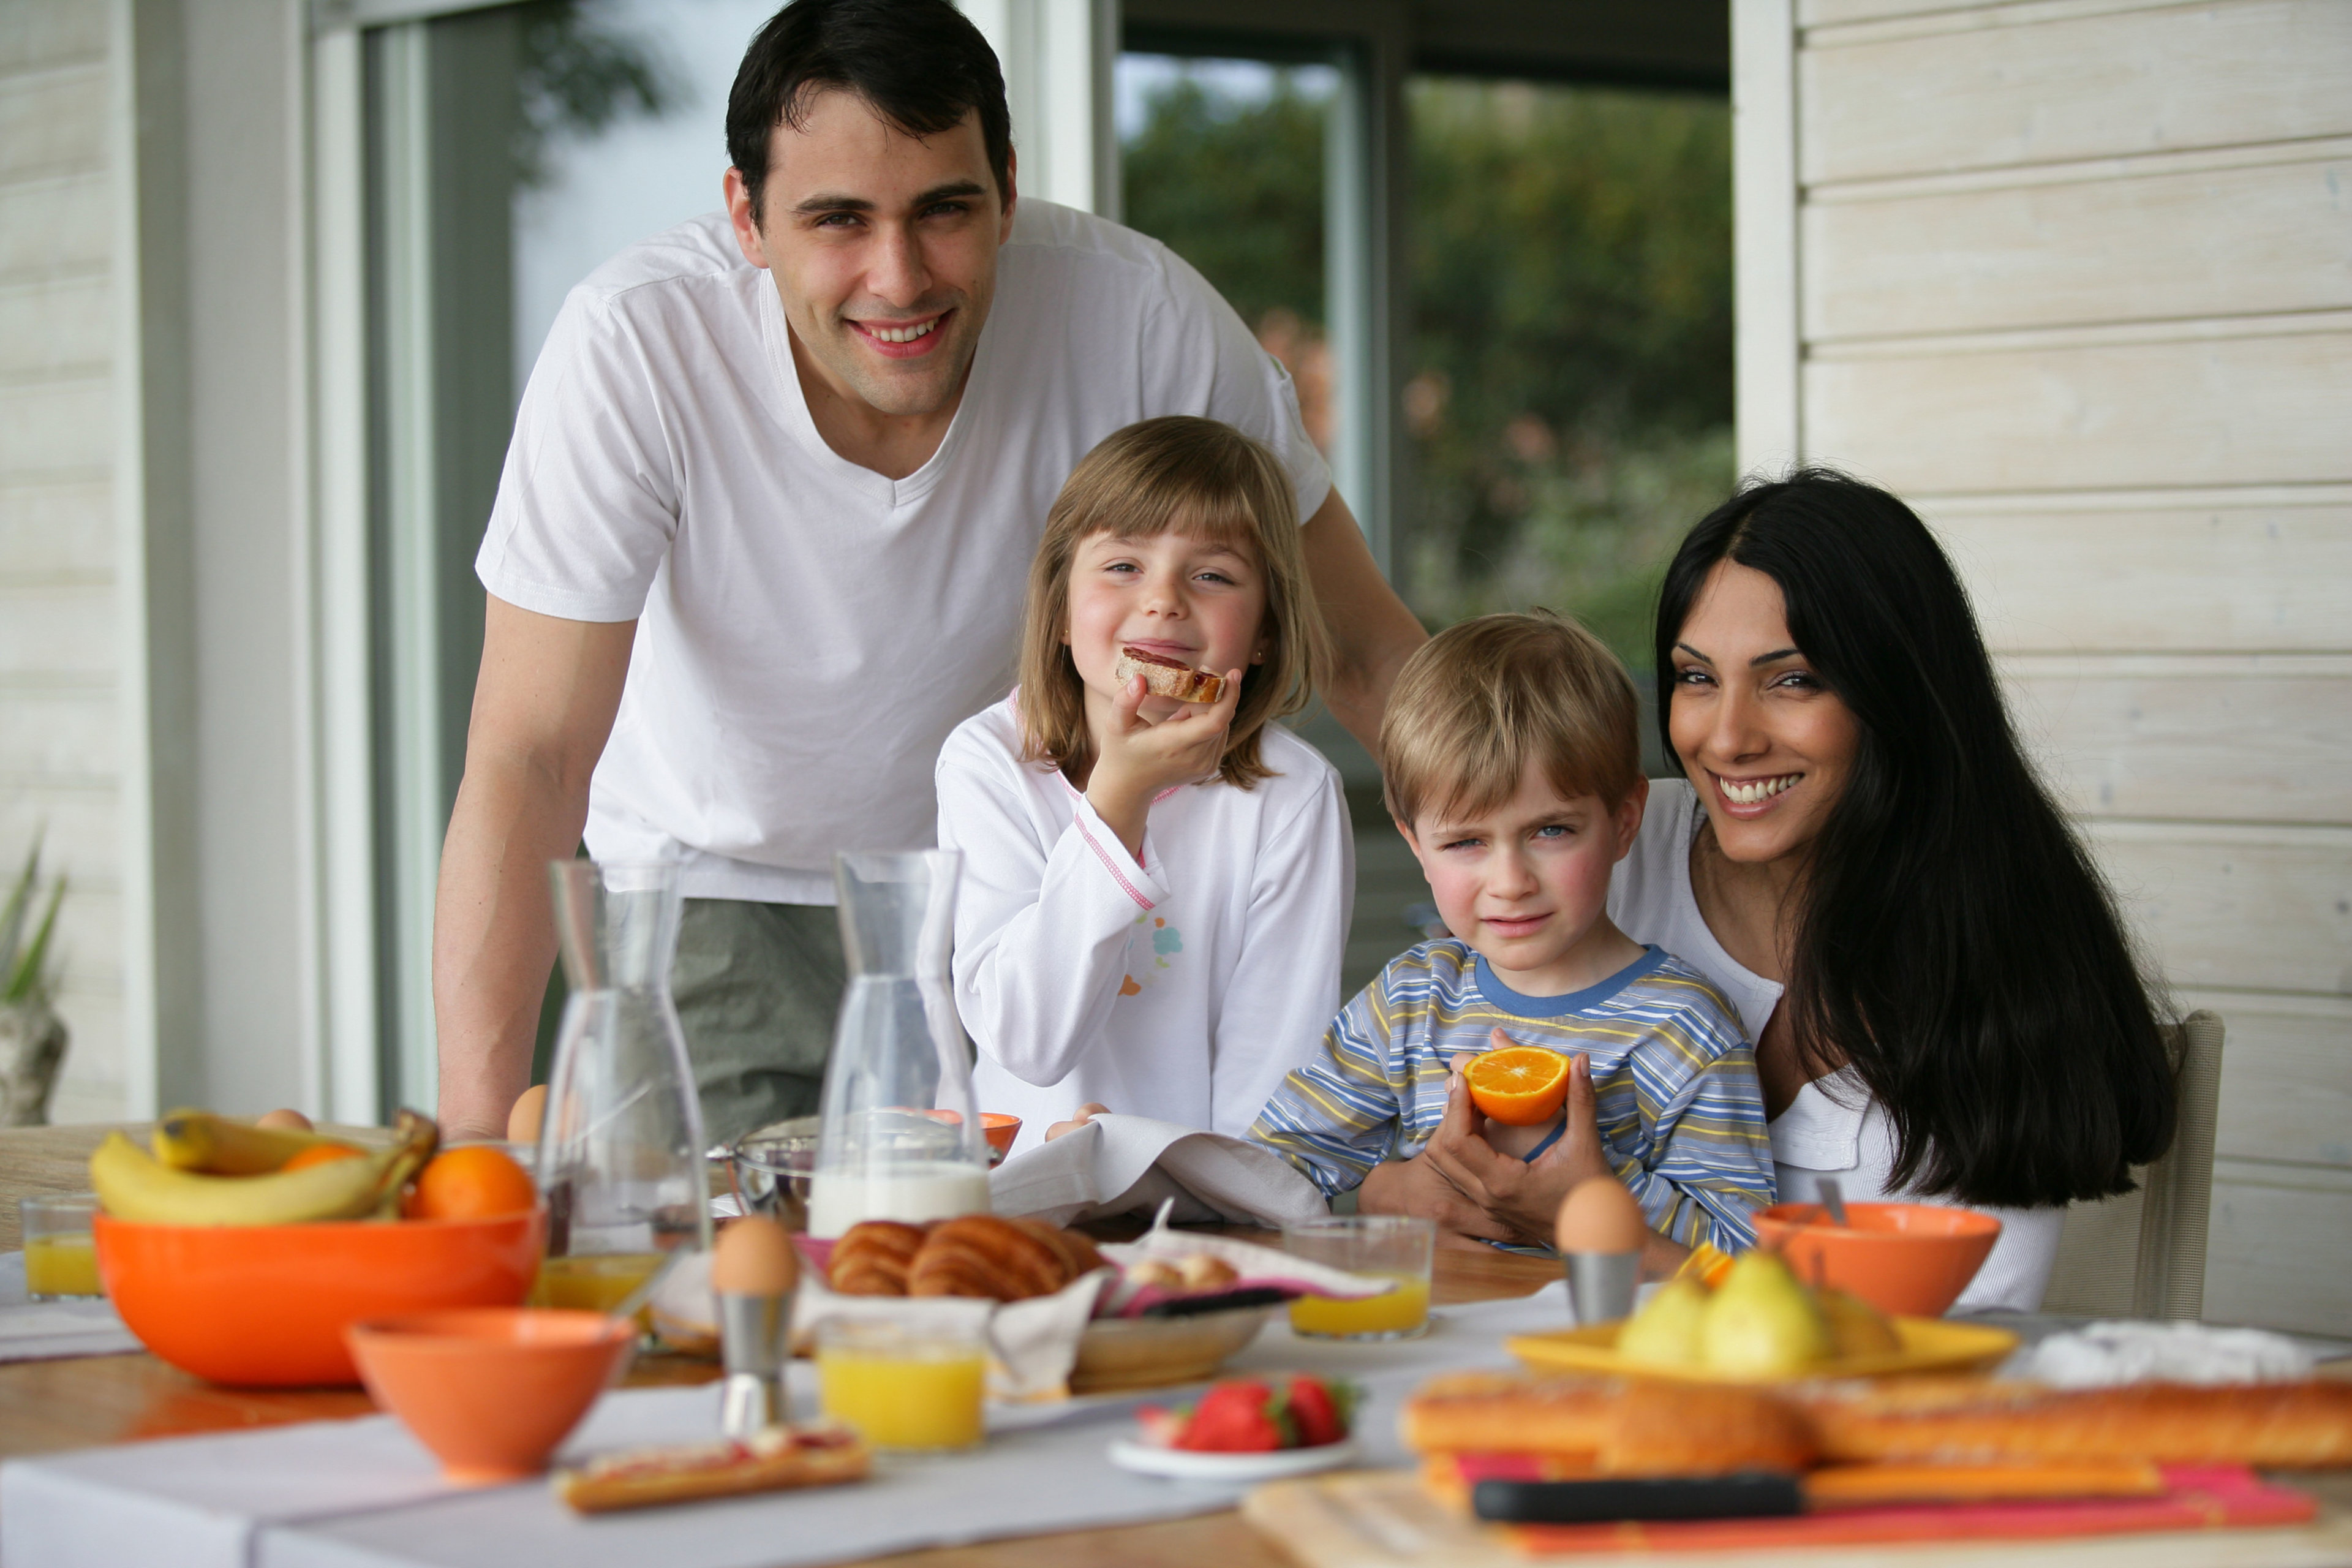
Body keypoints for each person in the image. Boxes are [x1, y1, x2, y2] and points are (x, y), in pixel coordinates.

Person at [434, 0, 1425, 1144]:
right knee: (739, 1268)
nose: (898, 278)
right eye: (837, 220)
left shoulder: (1142, 316)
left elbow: (1365, 648)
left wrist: (1540, 910)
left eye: (944, 211)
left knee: (984, 1275)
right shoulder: (636, 345)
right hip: (723, 896)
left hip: (1018, 872)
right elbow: (534, 754)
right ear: (747, 219)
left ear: (1006, 188)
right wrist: (473, 1147)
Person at [1360, 472, 2176, 1309]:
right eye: (1697, 677)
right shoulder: (1595, 848)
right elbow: (1398, 1084)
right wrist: (1386, 1191)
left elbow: (1949, 1337)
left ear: (1894, 691)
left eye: (1792, 680)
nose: (1729, 738)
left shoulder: (1998, 966)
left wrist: (1606, 1227)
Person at [1249, 612, 1773, 1255]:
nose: (1511, 880)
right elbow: (1273, 1171)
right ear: (1415, 843)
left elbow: (1745, 1259)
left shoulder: (1685, 1029)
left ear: (1624, 821)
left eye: (1550, 831)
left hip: (1603, 1348)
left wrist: (1585, 1175)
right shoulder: (1411, 1000)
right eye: (1466, 841)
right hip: (1430, 1347)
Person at [936, 418, 1351, 1156]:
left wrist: (1169, 1193)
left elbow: (1272, 1096)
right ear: (1062, 610)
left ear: (1263, 634)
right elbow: (1027, 1041)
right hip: (1010, 1202)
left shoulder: (1294, 796)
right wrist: (1117, 803)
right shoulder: (987, 762)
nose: (1163, 600)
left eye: (1213, 574)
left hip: (1198, 1218)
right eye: (1123, 565)